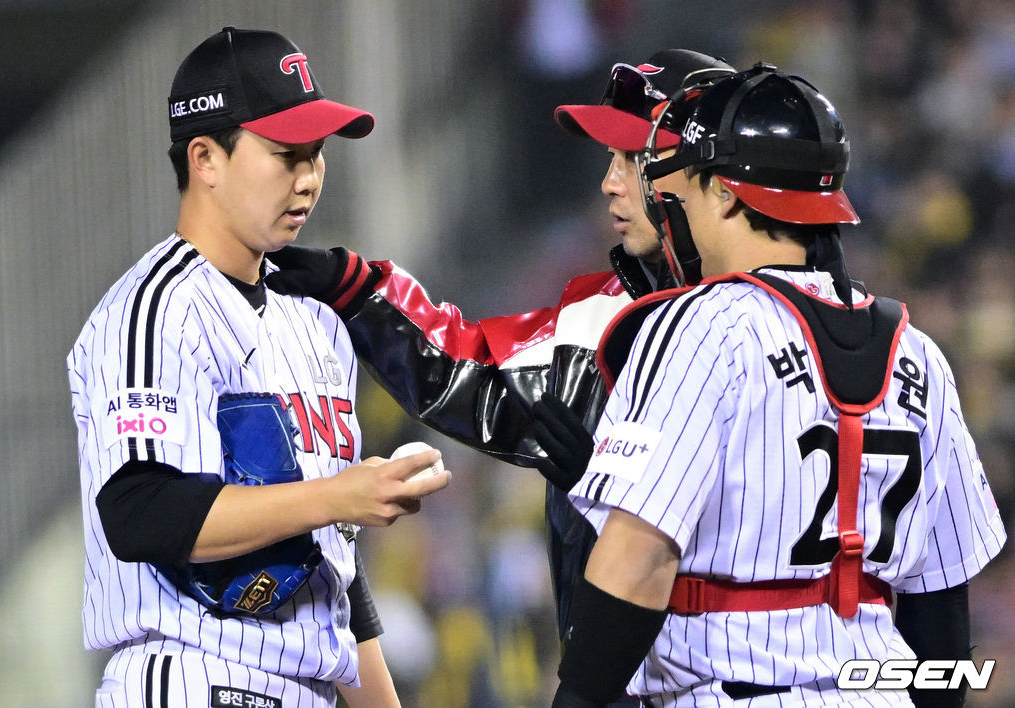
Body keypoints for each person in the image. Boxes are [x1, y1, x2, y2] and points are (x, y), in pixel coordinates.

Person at [550, 63, 1008, 708]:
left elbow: (636, 564)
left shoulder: (698, 326)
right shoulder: (919, 352)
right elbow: (941, 618)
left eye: (691, 179)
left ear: (728, 192)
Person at [266, 52, 736, 657]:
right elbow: (466, 370)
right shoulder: (599, 319)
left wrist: (619, 492)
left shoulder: (791, 324)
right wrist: (359, 290)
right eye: (610, 158)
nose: (610, 181)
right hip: (621, 680)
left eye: (632, 158)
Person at [67, 27, 450, 707]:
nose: (308, 177)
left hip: (306, 685)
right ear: (206, 158)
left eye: (317, 154)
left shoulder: (315, 319)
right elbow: (139, 511)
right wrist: (337, 496)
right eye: (285, 154)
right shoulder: (158, 309)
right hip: (190, 673)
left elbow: (331, 571)